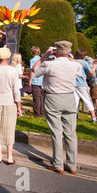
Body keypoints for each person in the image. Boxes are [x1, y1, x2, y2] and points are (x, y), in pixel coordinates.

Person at [32, 41, 83, 174]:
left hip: (53, 97)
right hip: (69, 97)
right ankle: (72, 165)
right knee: (71, 133)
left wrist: (44, 56)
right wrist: (67, 55)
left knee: (56, 132)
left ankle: (58, 164)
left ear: (56, 51)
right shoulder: (76, 65)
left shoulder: (49, 64)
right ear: (69, 51)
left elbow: (34, 70)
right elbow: (76, 66)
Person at [73, 48, 97, 123]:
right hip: (82, 84)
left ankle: (74, 117)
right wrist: (95, 64)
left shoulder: (73, 62)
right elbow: (92, 72)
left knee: (75, 101)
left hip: (73, 84)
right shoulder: (84, 63)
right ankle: (94, 118)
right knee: (88, 101)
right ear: (84, 56)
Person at [28, 46, 45, 117]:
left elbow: (33, 70)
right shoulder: (43, 60)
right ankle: (42, 112)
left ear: (32, 52)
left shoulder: (33, 60)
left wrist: (30, 80)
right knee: (42, 97)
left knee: (36, 98)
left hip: (36, 80)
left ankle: (36, 113)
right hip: (42, 81)